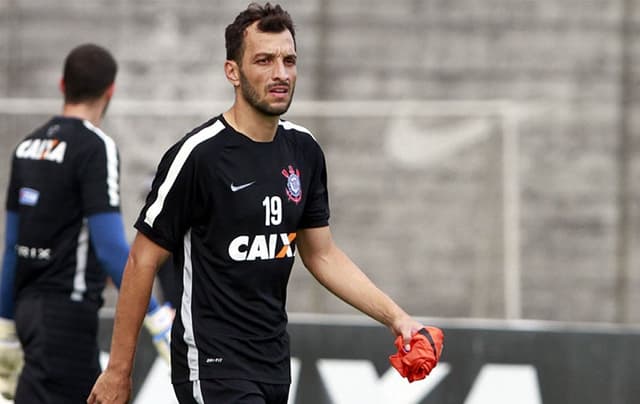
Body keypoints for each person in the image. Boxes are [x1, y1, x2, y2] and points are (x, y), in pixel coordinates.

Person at [88, 3, 440, 404]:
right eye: (265, 60)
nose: (281, 74)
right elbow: (141, 261)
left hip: (273, 364)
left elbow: (322, 255)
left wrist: (396, 317)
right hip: (213, 362)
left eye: (289, 60)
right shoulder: (198, 156)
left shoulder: (303, 150)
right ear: (232, 72)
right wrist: (118, 371)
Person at [0, 43, 172, 404]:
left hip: (29, 315)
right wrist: (155, 316)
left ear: (63, 85)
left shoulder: (26, 147)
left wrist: (5, 327)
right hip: (67, 317)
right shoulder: (96, 147)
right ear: (110, 90)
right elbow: (111, 249)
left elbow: (13, 249)